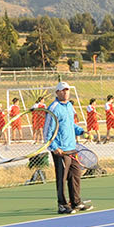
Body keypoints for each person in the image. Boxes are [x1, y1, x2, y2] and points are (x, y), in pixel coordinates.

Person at [45, 82, 92, 214]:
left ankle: (76, 202)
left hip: (72, 148)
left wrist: (83, 132)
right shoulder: (53, 108)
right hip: (60, 150)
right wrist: (54, 147)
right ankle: (62, 205)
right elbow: (47, 132)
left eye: (67, 90)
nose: (65, 92)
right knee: (62, 178)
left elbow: (72, 125)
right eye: (62, 90)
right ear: (57, 93)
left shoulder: (70, 106)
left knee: (76, 174)